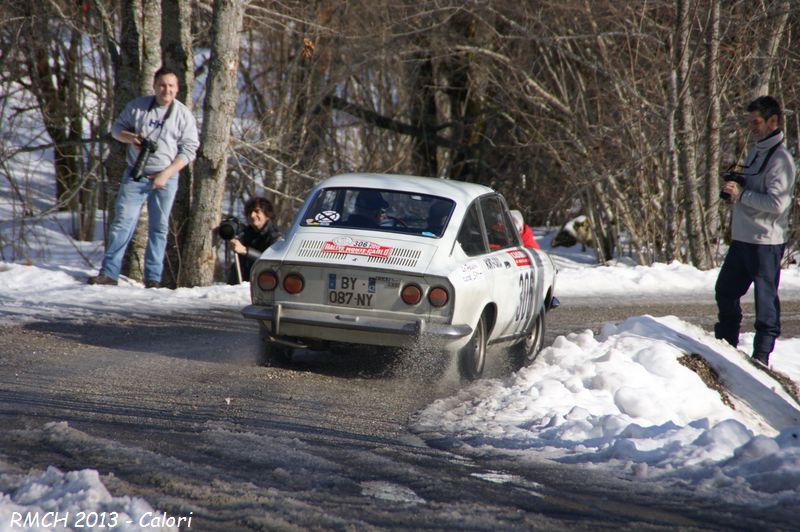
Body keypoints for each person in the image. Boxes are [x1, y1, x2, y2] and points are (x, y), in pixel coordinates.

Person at [88, 66, 199, 288]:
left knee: (158, 228)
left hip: (165, 178)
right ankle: (109, 273)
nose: (166, 90)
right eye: (162, 85)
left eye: (171, 86)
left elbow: (189, 150)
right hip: (135, 174)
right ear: (155, 86)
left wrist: (166, 174)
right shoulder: (137, 107)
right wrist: (130, 138)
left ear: (177, 89)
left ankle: (153, 279)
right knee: (122, 222)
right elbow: (116, 129)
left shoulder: (183, 115)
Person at [715, 95, 796, 367]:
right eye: (750, 122)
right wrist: (736, 182)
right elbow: (751, 188)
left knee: (765, 304)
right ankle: (726, 346)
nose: (752, 127)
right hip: (742, 239)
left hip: (765, 242)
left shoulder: (781, 159)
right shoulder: (756, 150)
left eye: (757, 122)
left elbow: (777, 203)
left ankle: (761, 357)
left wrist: (743, 193)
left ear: (773, 121)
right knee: (725, 291)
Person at [228, 197, 282, 284]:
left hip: (263, 286)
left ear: (267, 214)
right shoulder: (244, 233)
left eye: (257, 211)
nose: (252, 215)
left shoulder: (275, 237)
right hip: (240, 287)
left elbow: (271, 262)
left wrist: (245, 251)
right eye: (249, 212)